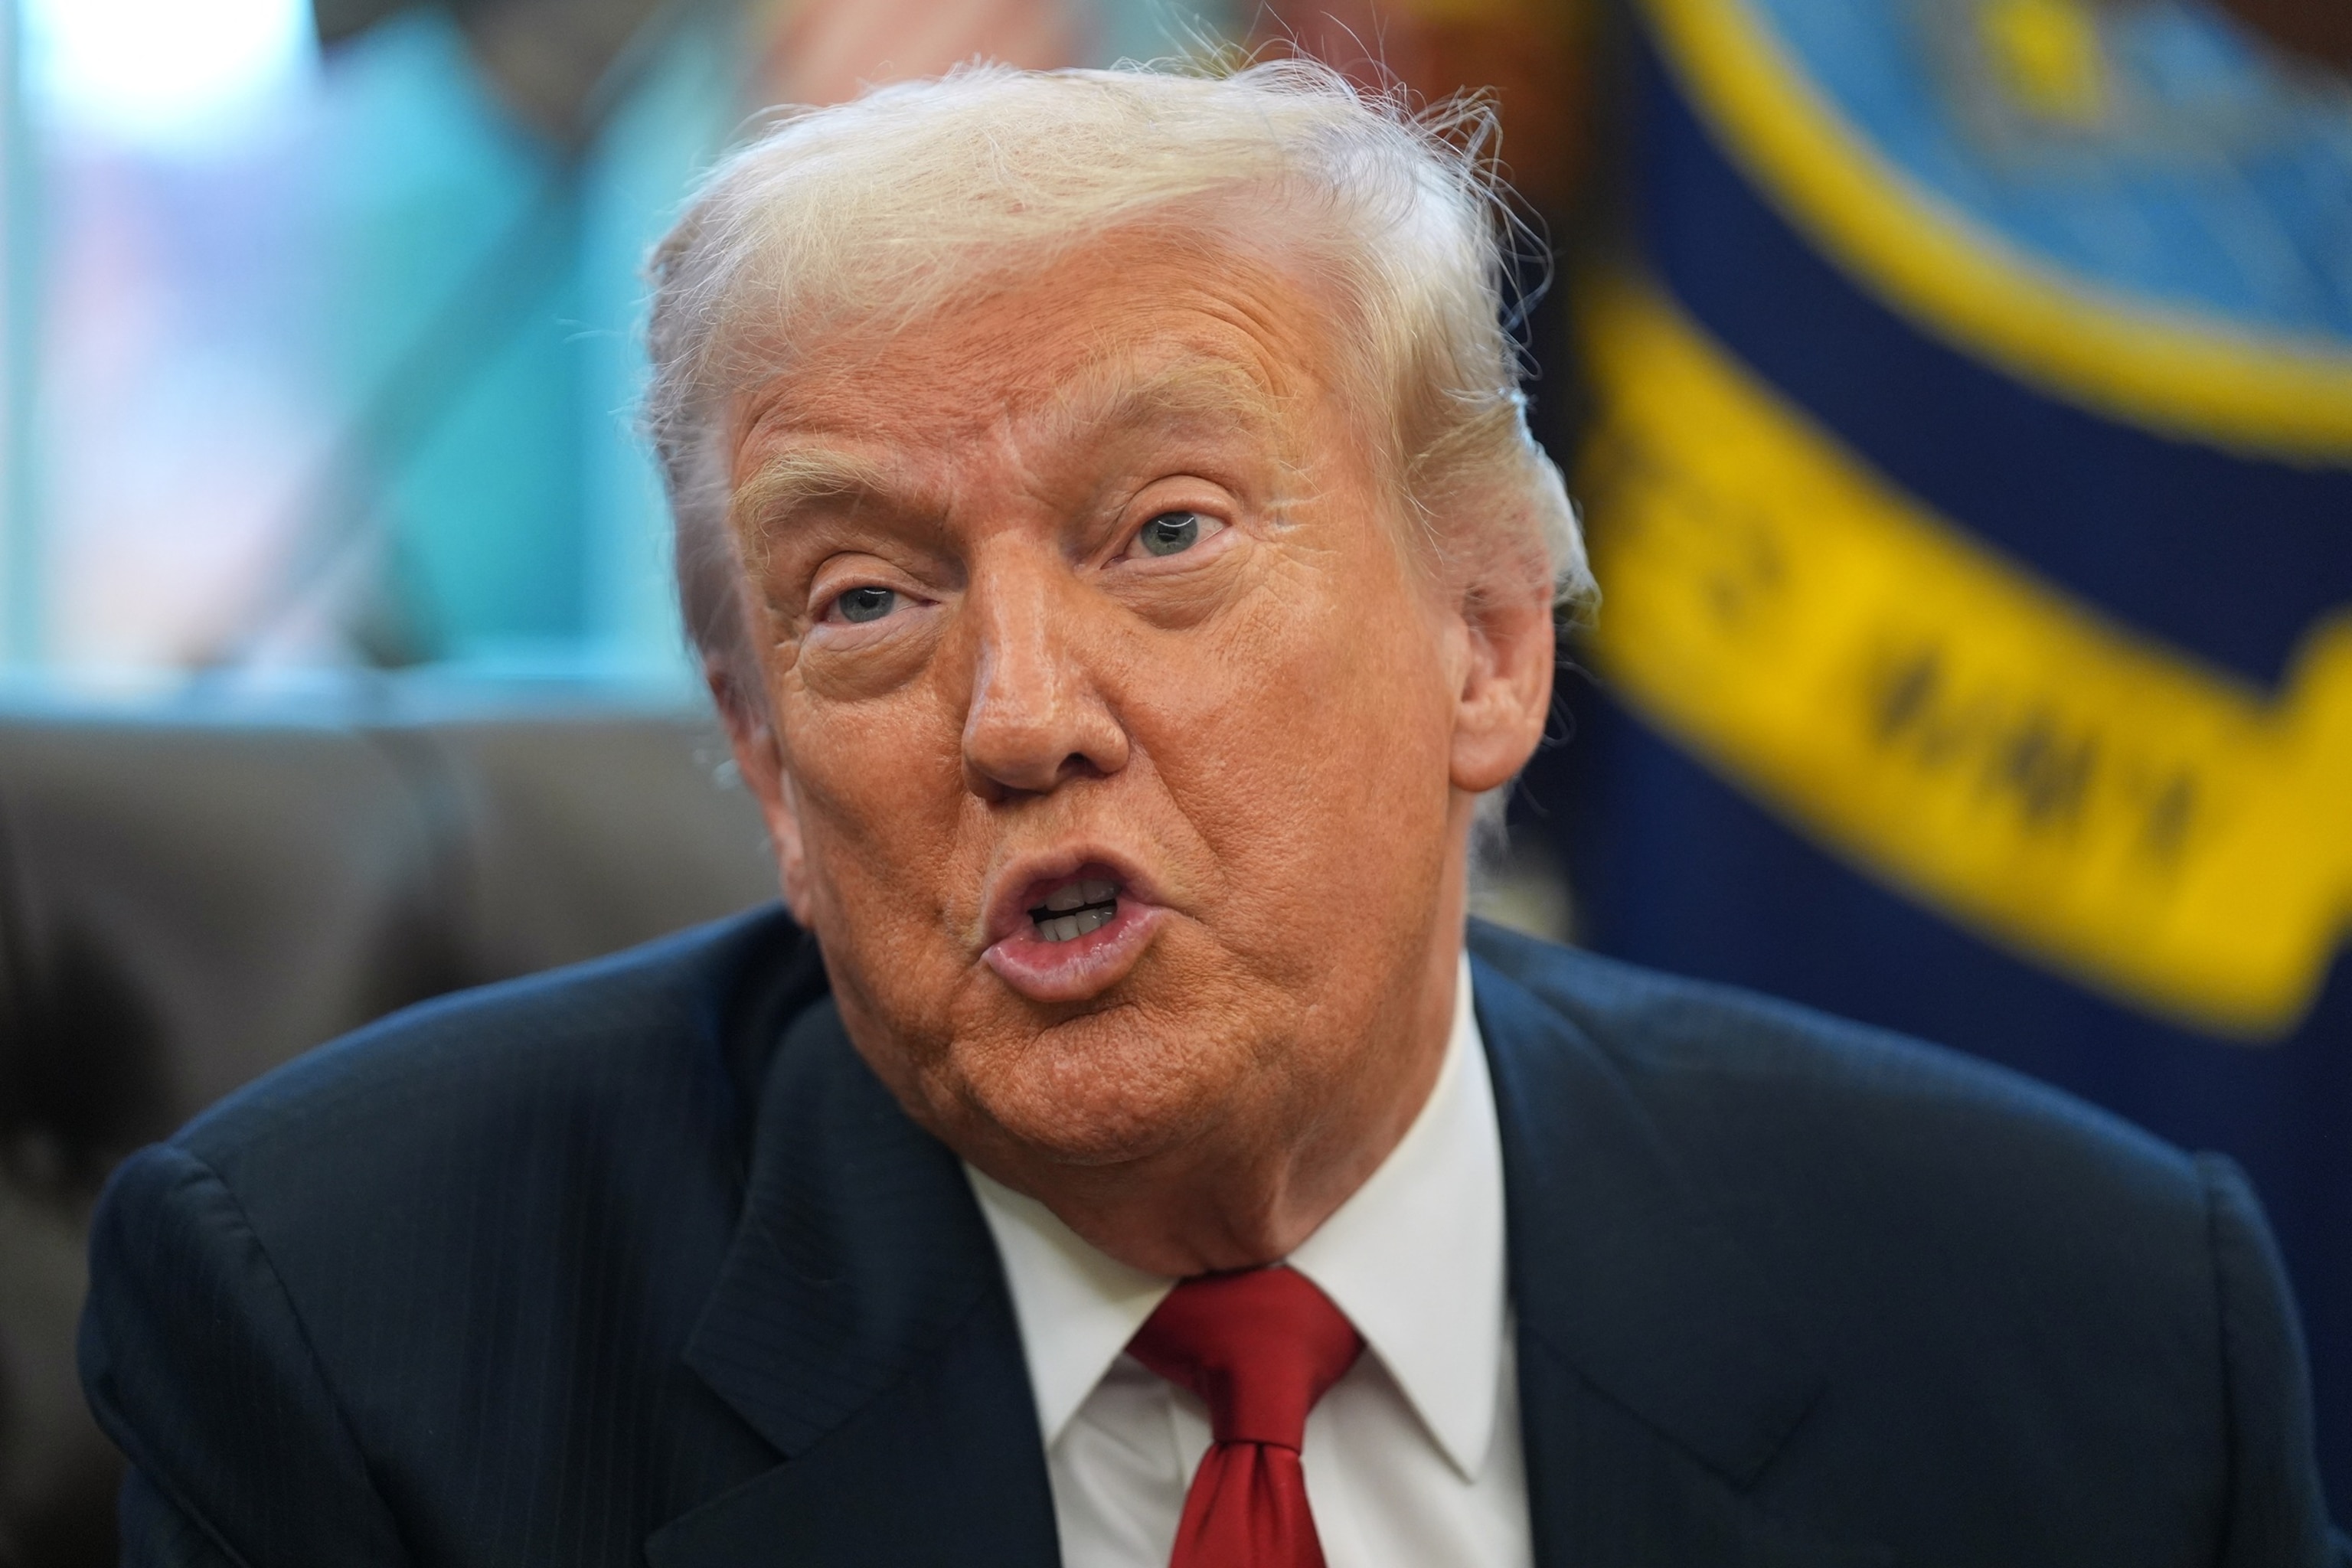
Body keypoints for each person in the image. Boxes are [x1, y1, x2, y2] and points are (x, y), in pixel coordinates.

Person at [80, 61, 2344, 1567]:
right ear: (768, 770)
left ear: (1489, 645)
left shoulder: (2092, 1338)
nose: (1021, 717)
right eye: (864, 598)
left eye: (1164, 533)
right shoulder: (356, 1344)